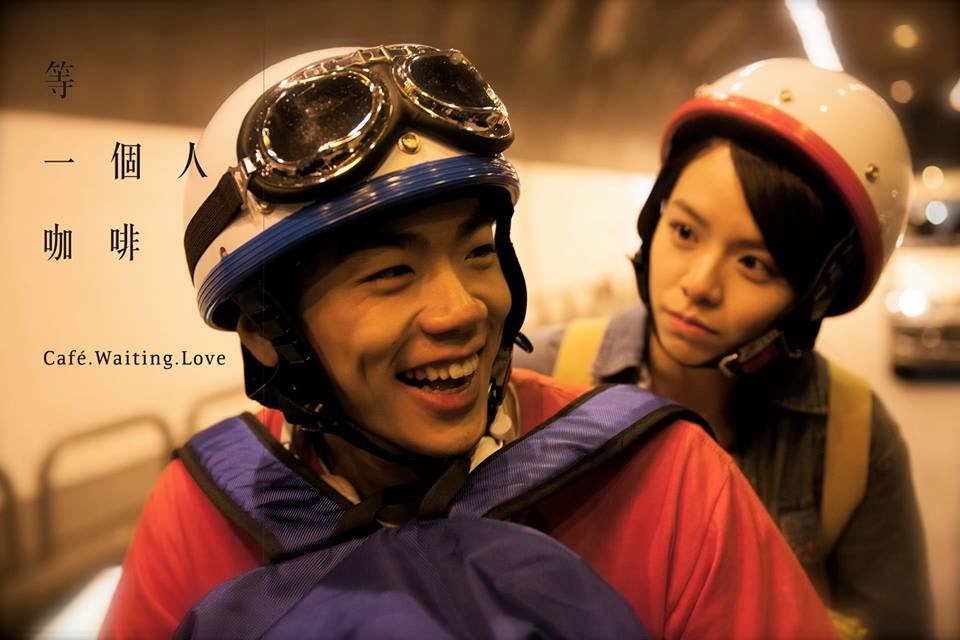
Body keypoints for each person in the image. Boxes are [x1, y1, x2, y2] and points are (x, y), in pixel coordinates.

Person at [101, 46, 836, 639]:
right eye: (391, 273)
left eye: (479, 251)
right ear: (264, 328)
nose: (461, 311)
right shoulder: (198, 513)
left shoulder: (663, 480)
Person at [515, 58, 933, 638]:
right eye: (685, 231)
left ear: (816, 294)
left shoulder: (852, 439)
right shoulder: (533, 378)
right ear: (654, 219)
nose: (699, 284)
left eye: (754, 263)